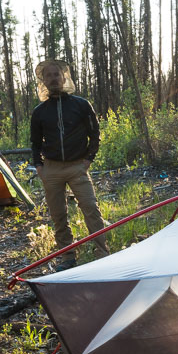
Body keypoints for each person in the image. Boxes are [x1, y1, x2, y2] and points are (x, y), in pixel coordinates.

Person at [30, 59, 108, 268]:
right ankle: (67, 257)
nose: (53, 78)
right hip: (52, 168)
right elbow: (35, 143)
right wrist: (40, 167)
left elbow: (95, 134)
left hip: (77, 166)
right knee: (58, 215)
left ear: (64, 77)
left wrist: (87, 161)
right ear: (43, 81)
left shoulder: (81, 105)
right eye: (48, 75)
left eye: (56, 74)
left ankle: (103, 254)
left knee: (91, 208)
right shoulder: (39, 112)